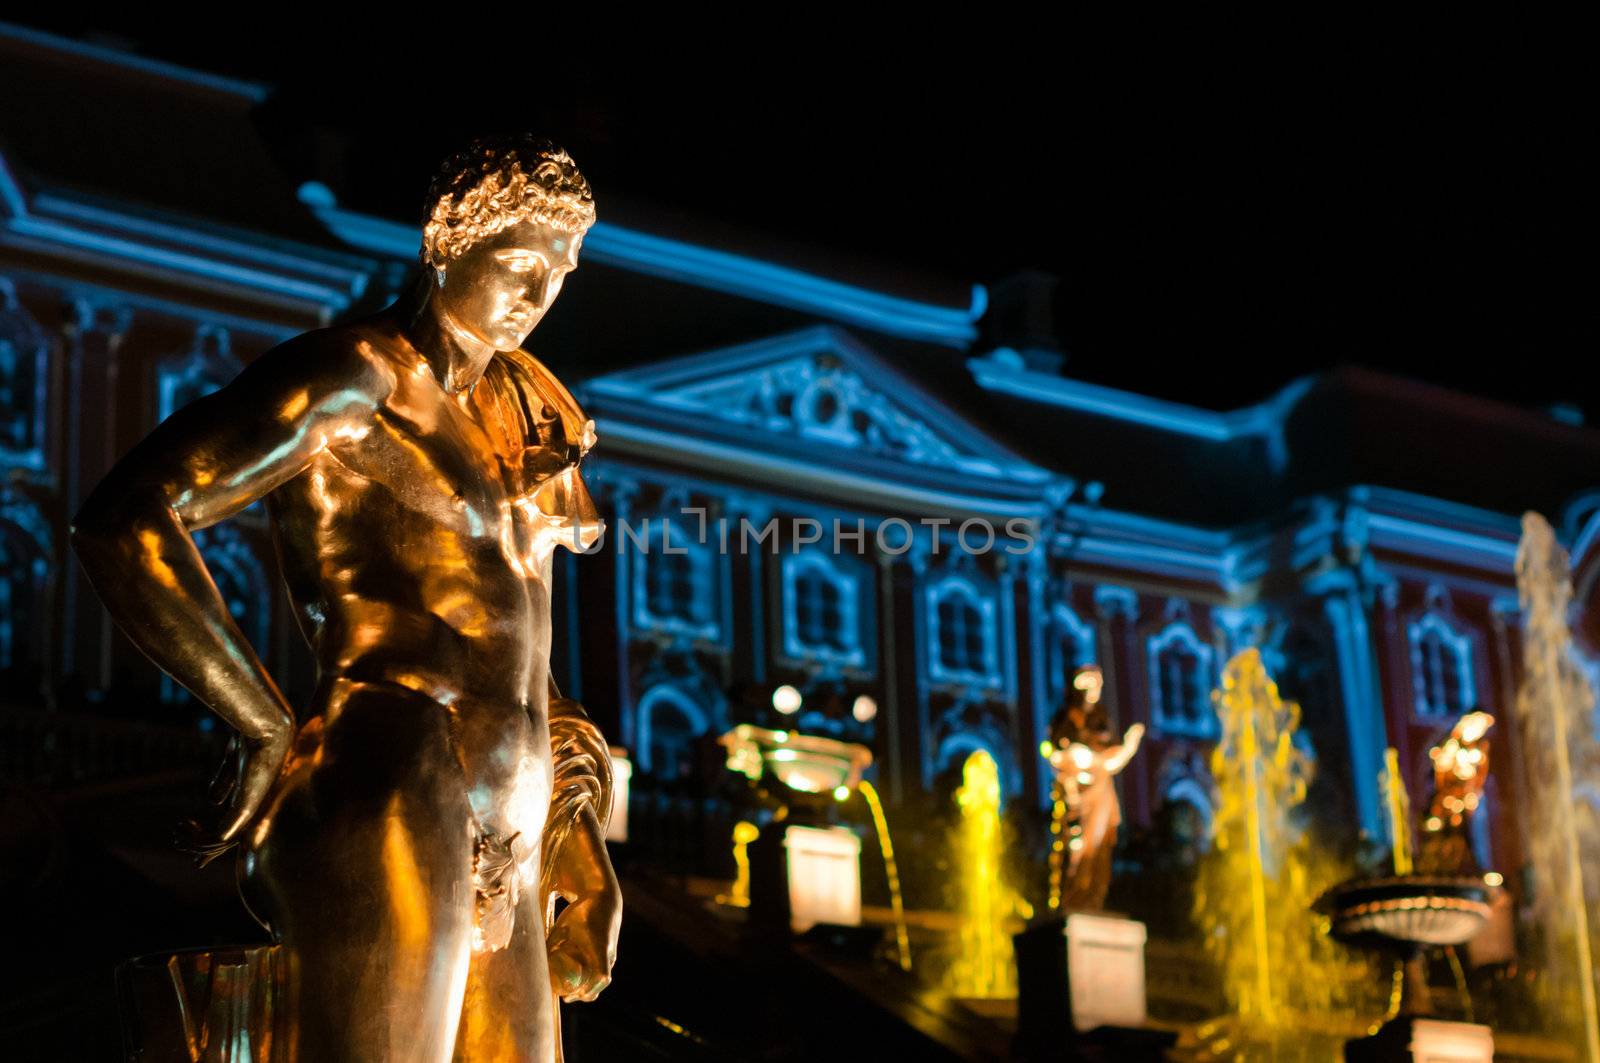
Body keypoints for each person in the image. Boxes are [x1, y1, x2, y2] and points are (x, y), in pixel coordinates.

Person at [72, 135, 619, 1063]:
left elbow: (528, 655)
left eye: (559, 274)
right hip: (393, 778)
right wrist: (264, 725)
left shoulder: (531, 421)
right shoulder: (355, 376)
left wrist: (584, 851)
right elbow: (127, 518)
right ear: (448, 245)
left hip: (517, 841)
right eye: (517, 265)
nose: (537, 298)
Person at [1044, 664, 1143, 912]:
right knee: (1078, 846)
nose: (1093, 689)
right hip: (1078, 793)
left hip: (1101, 792)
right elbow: (1055, 753)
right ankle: (1072, 899)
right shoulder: (1067, 717)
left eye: (1096, 684)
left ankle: (1094, 898)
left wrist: (1129, 746)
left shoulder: (1101, 719)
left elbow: (1110, 760)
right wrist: (1078, 757)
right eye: (1086, 683)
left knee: (1100, 849)